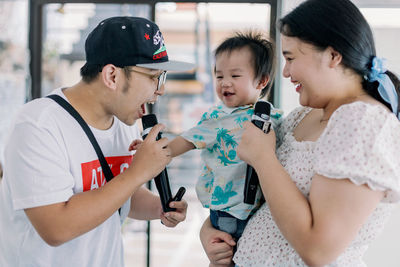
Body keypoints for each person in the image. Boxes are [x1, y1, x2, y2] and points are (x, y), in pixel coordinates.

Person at [199, 0, 400, 266]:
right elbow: (256, 193)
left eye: (291, 58)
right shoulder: (300, 118)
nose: (285, 72)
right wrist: (209, 230)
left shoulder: (363, 121)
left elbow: (318, 250)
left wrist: (263, 157)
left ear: (332, 55)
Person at [0, 16, 193, 267]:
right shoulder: (38, 124)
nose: (160, 90)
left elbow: (122, 197)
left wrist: (160, 207)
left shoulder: (124, 123)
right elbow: (56, 228)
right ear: (112, 75)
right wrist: (137, 172)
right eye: (153, 76)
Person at [153, 31, 282, 243]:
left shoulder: (272, 116)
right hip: (228, 212)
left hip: (261, 209)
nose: (225, 83)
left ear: (262, 81)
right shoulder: (218, 117)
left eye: (235, 76)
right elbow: (187, 140)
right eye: (220, 76)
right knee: (229, 255)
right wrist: (157, 150)